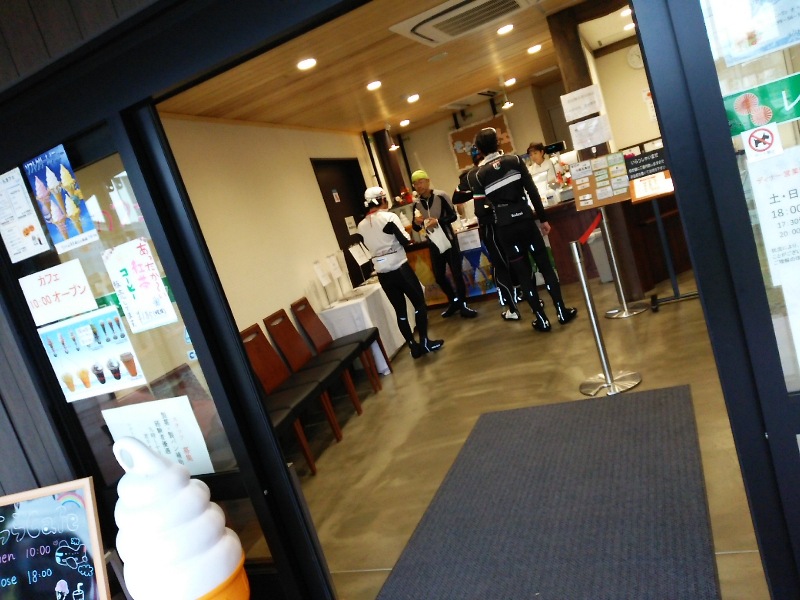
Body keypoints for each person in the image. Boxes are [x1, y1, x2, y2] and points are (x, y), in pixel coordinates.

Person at [468, 128, 577, 332]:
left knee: (523, 274)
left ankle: (541, 319)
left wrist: (498, 211)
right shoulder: (515, 161)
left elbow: (479, 211)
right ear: (498, 143)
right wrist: (543, 219)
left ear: (480, 150)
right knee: (545, 266)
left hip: (506, 229)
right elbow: (532, 191)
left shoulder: (478, 176)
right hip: (526, 221)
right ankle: (561, 311)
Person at [357, 187, 444, 358]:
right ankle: (425, 342)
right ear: (382, 199)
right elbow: (405, 240)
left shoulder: (361, 225)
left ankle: (413, 346)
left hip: (382, 273)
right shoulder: (389, 217)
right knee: (419, 304)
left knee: (400, 311)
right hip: (400, 267)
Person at [455, 146, 524, 320]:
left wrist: (475, 191)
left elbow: (456, 197)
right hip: (511, 219)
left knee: (501, 266)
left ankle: (512, 309)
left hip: (490, 227)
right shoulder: (506, 163)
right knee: (519, 259)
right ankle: (535, 302)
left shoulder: (472, 175)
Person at [410, 170, 478, 319]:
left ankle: (463, 304)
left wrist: (438, 221)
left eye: (420, 182)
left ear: (428, 181)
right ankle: (454, 301)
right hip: (433, 242)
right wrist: (416, 222)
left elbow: (453, 216)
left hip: (448, 239)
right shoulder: (416, 204)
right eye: (415, 184)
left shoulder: (441, 195)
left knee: (456, 273)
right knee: (439, 276)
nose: (418, 186)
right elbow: (415, 227)